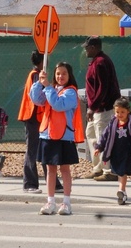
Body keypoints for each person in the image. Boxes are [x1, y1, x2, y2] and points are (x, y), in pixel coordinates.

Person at [30, 61, 85, 216]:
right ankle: (50, 201)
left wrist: (47, 87)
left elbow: (58, 105)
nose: (60, 76)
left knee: (65, 169)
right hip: (48, 134)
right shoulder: (51, 89)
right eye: (58, 73)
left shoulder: (71, 92)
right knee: (50, 169)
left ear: (70, 75)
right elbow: (37, 100)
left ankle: (66, 202)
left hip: (64, 136)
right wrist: (39, 82)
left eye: (64, 73)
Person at [83, 36, 121, 181]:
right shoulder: (96, 62)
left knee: (102, 138)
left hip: (103, 108)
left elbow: (102, 88)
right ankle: (98, 168)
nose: (85, 50)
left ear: (93, 47)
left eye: (87, 48)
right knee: (91, 134)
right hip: (97, 108)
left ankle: (109, 170)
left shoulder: (101, 62)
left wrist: (93, 107)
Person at [94, 97, 131, 205]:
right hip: (115, 152)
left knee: (122, 172)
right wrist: (99, 147)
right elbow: (105, 136)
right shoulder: (112, 124)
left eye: (122, 112)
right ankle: (123, 194)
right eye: (117, 112)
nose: (119, 114)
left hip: (127, 152)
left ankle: (121, 190)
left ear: (128, 111)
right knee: (119, 172)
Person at [17, 51, 46, 194]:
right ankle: (29, 183)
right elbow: (37, 96)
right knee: (32, 150)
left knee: (44, 148)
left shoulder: (36, 74)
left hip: (36, 116)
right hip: (33, 116)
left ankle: (53, 182)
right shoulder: (36, 75)